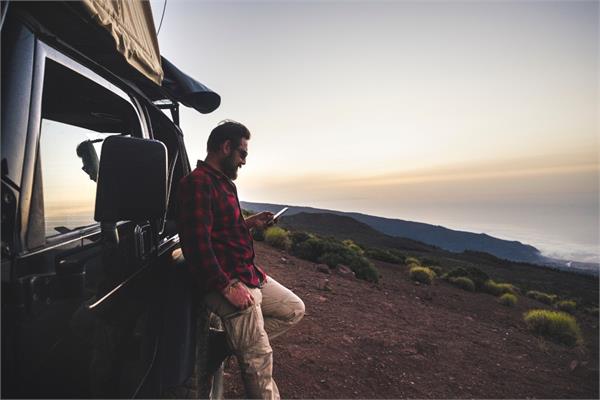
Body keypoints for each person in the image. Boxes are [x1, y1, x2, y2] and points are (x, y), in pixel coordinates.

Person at [177, 120, 305, 400]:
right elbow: (196, 245)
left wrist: (250, 222)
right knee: (259, 360)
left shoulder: (223, 183)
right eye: (242, 154)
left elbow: (221, 228)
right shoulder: (198, 183)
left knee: (294, 309)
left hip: (248, 272)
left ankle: (222, 346)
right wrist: (226, 288)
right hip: (226, 279)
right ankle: (244, 347)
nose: (244, 161)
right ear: (225, 147)